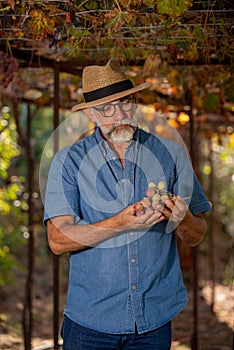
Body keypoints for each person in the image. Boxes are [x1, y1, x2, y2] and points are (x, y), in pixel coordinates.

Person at [44, 58, 211, 350]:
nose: (118, 115)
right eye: (106, 109)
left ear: (135, 102)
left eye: (125, 104)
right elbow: (58, 240)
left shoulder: (171, 154)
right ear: (91, 114)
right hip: (90, 322)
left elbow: (197, 234)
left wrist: (183, 219)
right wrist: (119, 222)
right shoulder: (69, 161)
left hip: (154, 321)